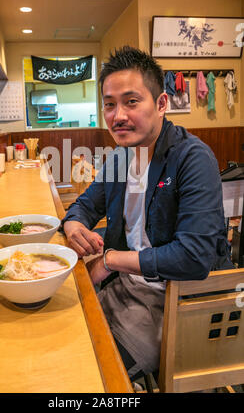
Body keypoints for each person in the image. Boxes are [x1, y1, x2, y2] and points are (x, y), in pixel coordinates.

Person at [61, 46, 233, 380]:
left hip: (176, 305)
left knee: (86, 373)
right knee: (64, 333)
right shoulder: (121, 158)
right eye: (109, 104)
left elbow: (194, 257)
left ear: (161, 104)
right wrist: (73, 225)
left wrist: (109, 260)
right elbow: (83, 205)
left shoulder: (193, 159)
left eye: (131, 101)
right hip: (123, 289)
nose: (118, 115)